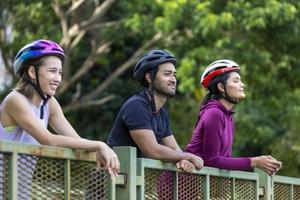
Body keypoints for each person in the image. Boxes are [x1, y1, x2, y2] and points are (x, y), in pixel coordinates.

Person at [0, 39, 120, 178]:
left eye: (60, 72)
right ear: (32, 72)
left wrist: (100, 151)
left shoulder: (49, 104)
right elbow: (48, 140)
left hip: (19, 192)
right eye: (52, 71)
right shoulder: (15, 100)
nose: (57, 78)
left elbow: (77, 141)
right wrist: (100, 145)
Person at [107, 49, 203, 172]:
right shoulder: (136, 106)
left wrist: (183, 159)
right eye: (167, 74)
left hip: (129, 181)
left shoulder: (161, 111)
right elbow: (153, 150)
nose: (173, 79)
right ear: (149, 77)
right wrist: (188, 156)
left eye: (174, 74)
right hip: (107, 184)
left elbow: (174, 148)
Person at [185, 59, 282, 175]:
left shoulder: (228, 115)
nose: (242, 85)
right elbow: (211, 160)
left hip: (199, 185)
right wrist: (255, 162)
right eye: (236, 81)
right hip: (182, 185)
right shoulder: (214, 113)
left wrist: (262, 162)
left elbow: (224, 159)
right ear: (221, 87)